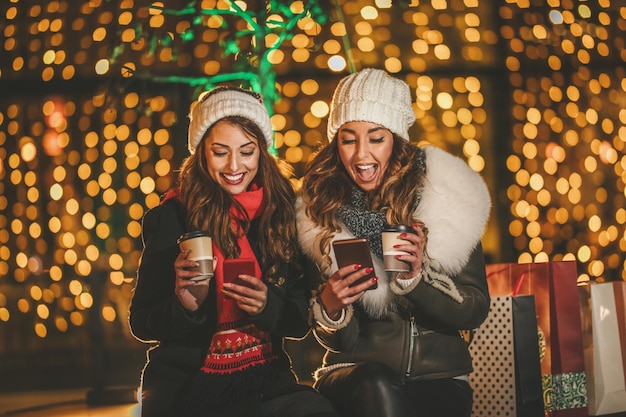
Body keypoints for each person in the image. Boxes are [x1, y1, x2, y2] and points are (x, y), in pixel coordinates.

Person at [129, 86, 339, 417]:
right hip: (186, 384)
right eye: (220, 151)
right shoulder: (173, 216)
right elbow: (142, 323)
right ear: (201, 152)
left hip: (264, 380)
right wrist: (185, 304)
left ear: (262, 153)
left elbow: (299, 321)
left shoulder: (282, 214)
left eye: (246, 151)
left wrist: (266, 306)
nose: (233, 165)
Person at [296, 68, 492, 417]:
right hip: (355, 375)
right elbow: (340, 343)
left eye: (375, 138)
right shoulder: (321, 212)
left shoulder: (447, 201)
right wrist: (331, 307)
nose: (360, 155)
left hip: (439, 377)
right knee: (377, 383)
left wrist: (416, 279)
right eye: (347, 138)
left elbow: (473, 310)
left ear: (397, 139)